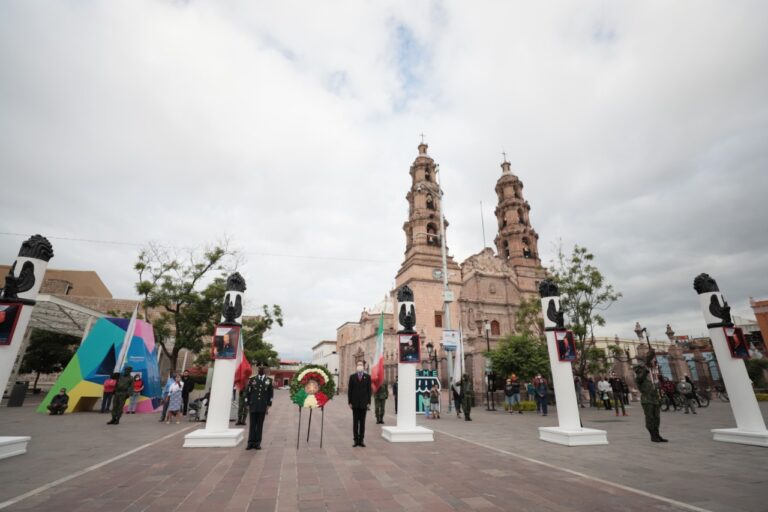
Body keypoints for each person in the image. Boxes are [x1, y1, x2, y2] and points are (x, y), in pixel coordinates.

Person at [635, 351, 667, 443]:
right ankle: (653, 435)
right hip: (647, 399)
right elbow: (639, 378)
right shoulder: (641, 374)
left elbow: (658, 384)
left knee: (657, 418)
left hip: (655, 398)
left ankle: (657, 434)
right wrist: (645, 368)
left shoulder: (653, 374)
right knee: (650, 418)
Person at [244, 365, 273, 450]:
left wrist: (269, 404)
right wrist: (247, 403)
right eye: (259, 369)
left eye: (262, 369)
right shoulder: (252, 379)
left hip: (262, 405)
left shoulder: (268, 380)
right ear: (257, 370)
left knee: (260, 425)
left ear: (265, 370)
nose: (260, 370)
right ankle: (250, 442)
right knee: (252, 424)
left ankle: (257, 443)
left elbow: (270, 394)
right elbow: (248, 392)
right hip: (253, 405)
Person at [348, 362, 372, 447]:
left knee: (362, 423)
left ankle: (361, 440)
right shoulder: (352, 377)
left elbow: (369, 391)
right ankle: (355, 440)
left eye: (361, 365)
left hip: (363, 404)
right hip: (354, 404)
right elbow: (350, 391)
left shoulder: (368, 377)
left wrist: (369, 402)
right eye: (358, 364)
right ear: (356, 366)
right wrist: (349, 402)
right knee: (355, 423)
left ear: (363, 366)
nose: (359, 366)